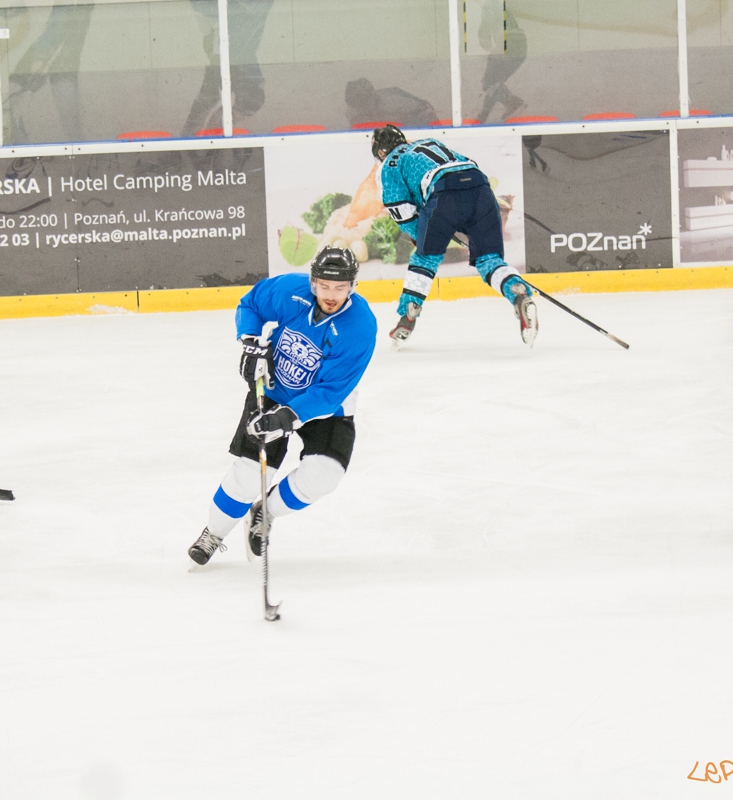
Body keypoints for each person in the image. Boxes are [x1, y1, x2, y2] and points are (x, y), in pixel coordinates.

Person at [188, 248, 377, 565]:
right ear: (313, 282)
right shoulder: (291, 290)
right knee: (250, 475)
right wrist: (250, 341)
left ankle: (265, 512)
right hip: (274, 388)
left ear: (353, 286)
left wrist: (288, 417)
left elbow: (330, 391)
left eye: (340, 287)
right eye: (325, 286)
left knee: (324, 475)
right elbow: (251, 304)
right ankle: (214, 533)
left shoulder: (359, 327)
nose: (331, 295)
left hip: (325, 408)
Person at [370, 124, 537, 346]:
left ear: (381, 151)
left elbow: (401, 210)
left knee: (425, 259)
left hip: (443, 193)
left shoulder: (389, 164)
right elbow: (469, 168)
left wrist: (422, 236)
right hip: (481, 188)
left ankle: (409, 313)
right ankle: (517, 291)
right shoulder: (430, 142)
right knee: (488, 258)